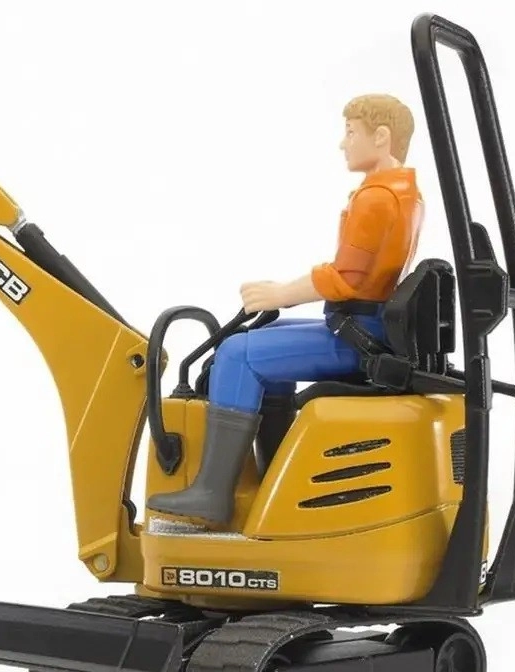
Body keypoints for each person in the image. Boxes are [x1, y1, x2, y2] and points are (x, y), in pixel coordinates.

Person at [147, 93, 424, 528]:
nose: (343, 143)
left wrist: (279, 294)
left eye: (351, 132)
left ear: (382, 137)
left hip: (359, 334)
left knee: (236, 354)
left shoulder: (377, 198)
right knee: (257, 342)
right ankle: (276, 475)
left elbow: (345, 278)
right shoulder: (406, 193)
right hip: (367, 326)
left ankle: (212, 494)